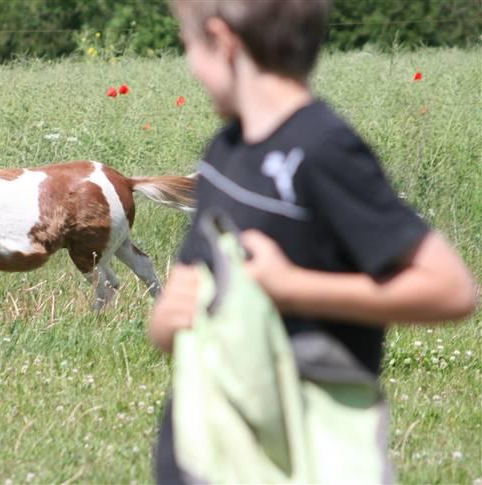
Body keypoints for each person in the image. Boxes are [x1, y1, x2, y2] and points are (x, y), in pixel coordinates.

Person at [149, 0, 477, 482]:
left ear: (223, 43)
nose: (192, 68)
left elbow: (452, 290)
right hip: (205, 449)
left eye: (189, 47)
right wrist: (169, 317)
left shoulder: (325, 150)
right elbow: (173, 313)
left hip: (307, 452)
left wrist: (294, 287)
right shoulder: (223, 153)